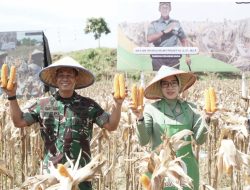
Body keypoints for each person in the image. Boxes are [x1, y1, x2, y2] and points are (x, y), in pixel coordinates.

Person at [1, 56, 125, 190]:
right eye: (61, 75)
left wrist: (118, 104)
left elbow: (111, 125)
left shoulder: (89, 105)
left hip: (80, 174)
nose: (65, 78)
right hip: (52, 174)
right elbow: (19, 122)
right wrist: (12, 96)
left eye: (69, 75)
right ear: (55, 79)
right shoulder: (43, 104)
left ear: (76, 79)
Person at [131, 65, 209, 189]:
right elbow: (143, 141)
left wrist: (207, 119)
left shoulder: (191, 109)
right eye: (165, 84)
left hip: (186, 168)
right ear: (160, 88)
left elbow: (200, 140)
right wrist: (140, 118)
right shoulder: (151, 109)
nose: (170, 87)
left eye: (173, 83)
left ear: (179, 86)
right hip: (160, 169)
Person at [147, 2, 191, 71]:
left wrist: (187, 56)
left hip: (173, 57)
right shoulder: (154, 24)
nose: (165, 9)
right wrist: (164, 32)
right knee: (160, 80)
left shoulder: (176, 23)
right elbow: (149, 39)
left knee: (173, 80)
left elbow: (184, 40)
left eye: (167, 7)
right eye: (163, 7)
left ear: (170, 9)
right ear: (159, 9)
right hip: (158, 58)